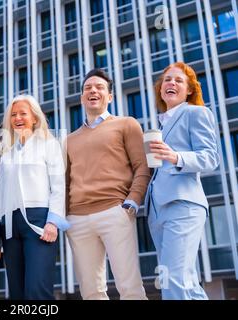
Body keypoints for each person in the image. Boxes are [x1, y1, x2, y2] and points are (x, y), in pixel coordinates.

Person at [65, 68, 150, 300]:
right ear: (82, 97)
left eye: (99, 87)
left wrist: (133, 200)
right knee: (91, 292)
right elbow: (64, 181)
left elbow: (142, 166)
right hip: (78, 219)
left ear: (109, 96)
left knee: (130, 288)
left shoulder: (126, 124)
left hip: (115, 211)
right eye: (87, 88)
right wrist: (65, 216)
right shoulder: (69, 140)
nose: (93, 90)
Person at [145, 62, 219, 300]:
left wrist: (175, 156)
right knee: (183, 282)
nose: (171, 83)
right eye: (167, 80)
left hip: (183, 205)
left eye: (178, 80)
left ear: (189, 90)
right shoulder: (160, 124)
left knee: (174, 279)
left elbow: (210, 158)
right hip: (157, 212)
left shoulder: (196, 113)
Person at [0, 94, 70, 300]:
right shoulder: (7, 154)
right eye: (13, 115)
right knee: (17, 293)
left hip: (39, 222)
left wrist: (53, 221)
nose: (17, 118)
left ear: (35, 118)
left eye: (23, 113)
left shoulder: (49, 145)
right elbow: (0, 194)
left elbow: (58, 186)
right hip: (9, 227)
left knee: (37, 290)